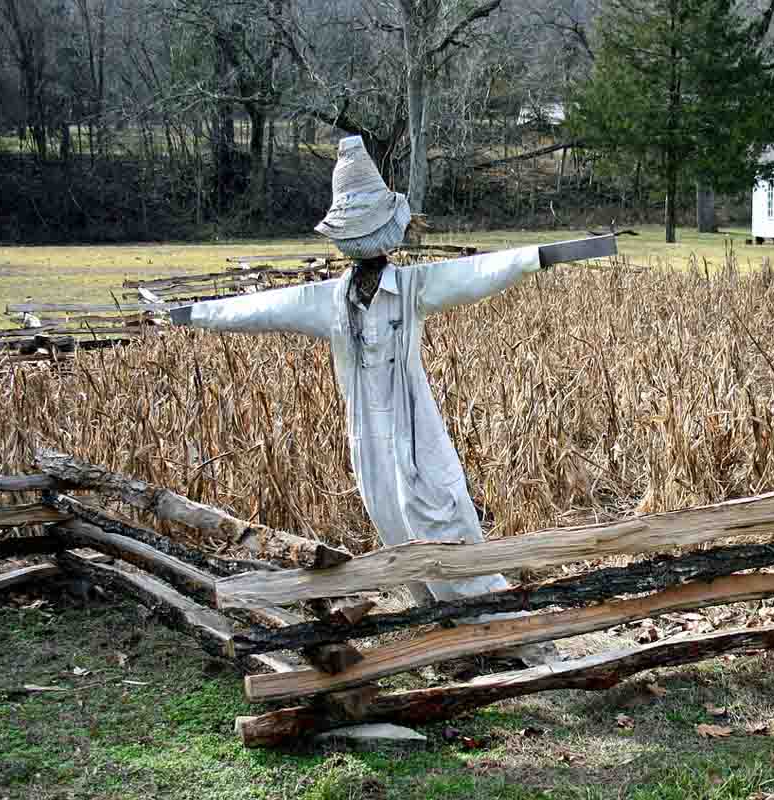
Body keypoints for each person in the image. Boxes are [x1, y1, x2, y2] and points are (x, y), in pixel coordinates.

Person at [172, 136, 559, 665]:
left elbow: (477, 273)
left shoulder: (414, 287)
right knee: (393, 522)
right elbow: (259, 309)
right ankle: (444, 631)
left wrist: (541, 256)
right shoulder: (329, 301)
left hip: (414, 431)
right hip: (369, 440)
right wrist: (197, 314)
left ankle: (508, 629)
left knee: (441, 519)